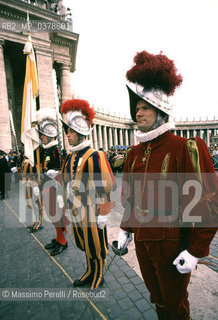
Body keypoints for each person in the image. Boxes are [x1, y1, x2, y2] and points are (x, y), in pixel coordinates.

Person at [116, 50, 218, 320]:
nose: (138, 112)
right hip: (143, 244)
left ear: (161, 112)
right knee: (158, 301)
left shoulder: (185, 148)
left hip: (173, 246)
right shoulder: (134, 154)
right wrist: (126, 228)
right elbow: (130, 198)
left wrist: (196, 251)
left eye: (144, 108)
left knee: (175, 305)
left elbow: (208, 201)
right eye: (136, 108)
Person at [60, 98, 116, 290]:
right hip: (76, 209)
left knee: (96, 244)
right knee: (84, 242)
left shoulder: (94, 155)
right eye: (67, 131)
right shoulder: (71, 156)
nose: (67, 135)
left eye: (70, 131)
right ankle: (90, 270)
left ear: (81, 132)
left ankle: (99, 271)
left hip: (92, 210)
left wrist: (105, 211)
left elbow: (105, 186)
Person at [22, 108, 61, 234]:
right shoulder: (44, 150)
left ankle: (62, 240)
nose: (41, 137)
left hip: (53, 187)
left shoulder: (55, 150)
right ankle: (58, 238)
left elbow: (58, 168)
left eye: (43, 135)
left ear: (50, 137)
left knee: (57, 214)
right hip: (44, 185)